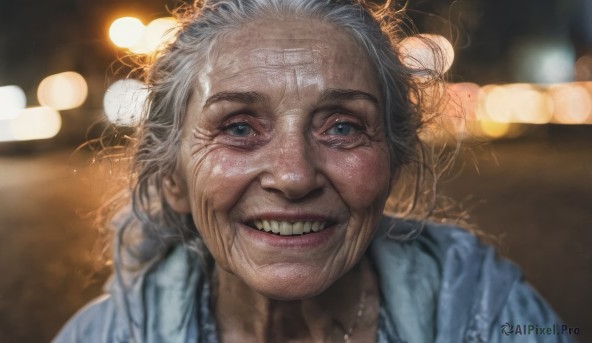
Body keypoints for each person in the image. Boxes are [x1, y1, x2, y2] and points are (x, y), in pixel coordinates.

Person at [55, 0, 573, 342]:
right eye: (237, 128)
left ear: (393, 161)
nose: (295, 175)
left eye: (343, 127)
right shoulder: (108, 334)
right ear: (172, 178)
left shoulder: (492, 311)